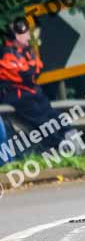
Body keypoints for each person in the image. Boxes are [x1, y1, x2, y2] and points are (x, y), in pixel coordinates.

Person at [0, 17, 68, 152]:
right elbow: (22, 75)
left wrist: (28, 69)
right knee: (39, 117)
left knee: (51, 112)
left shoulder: (27, 52)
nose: (27, 36)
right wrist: (28, 69)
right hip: (15, 95)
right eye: (22, 33)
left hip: (31, 93)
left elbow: (36, 69)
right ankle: (60, 145)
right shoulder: (5, 53)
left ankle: (71, 136)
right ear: (14, 36)